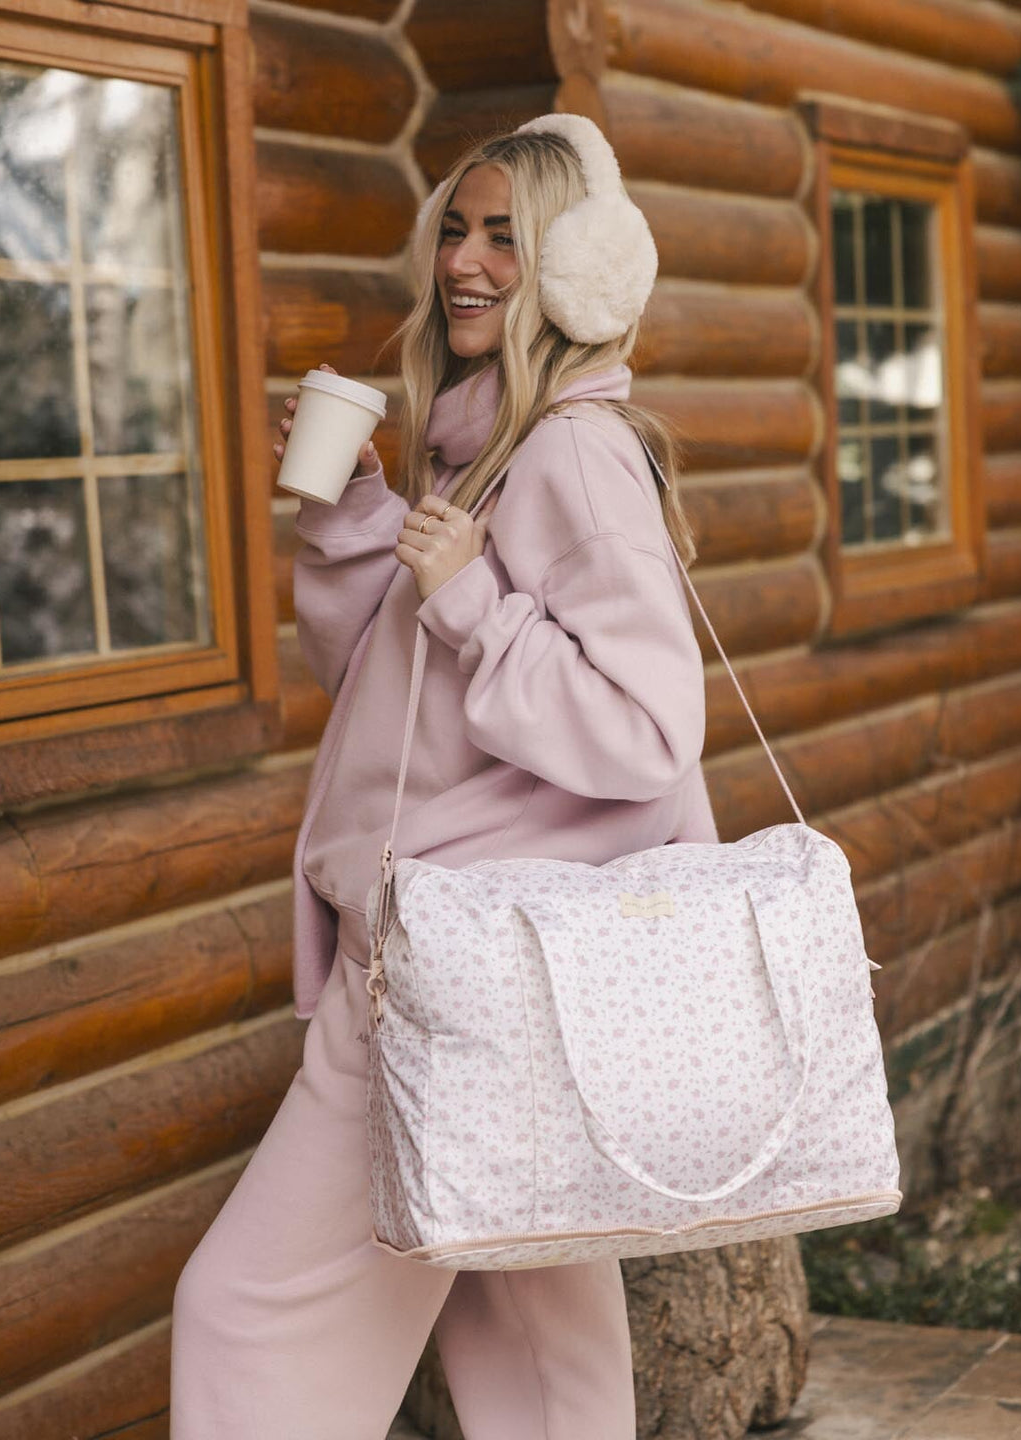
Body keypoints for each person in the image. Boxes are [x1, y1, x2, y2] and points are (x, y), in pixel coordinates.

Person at [170, 112, 718, 1440]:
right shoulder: (485, 449)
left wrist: (472, 601)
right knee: (530, 1330)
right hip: (495, 962)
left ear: (576, 269)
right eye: (456, 231)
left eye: (507, 238)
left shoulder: (571, 452)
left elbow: (651, 730)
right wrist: (362, 514)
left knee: (242, 1312)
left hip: (454, 964)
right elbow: (393, 694)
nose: (464, 262)